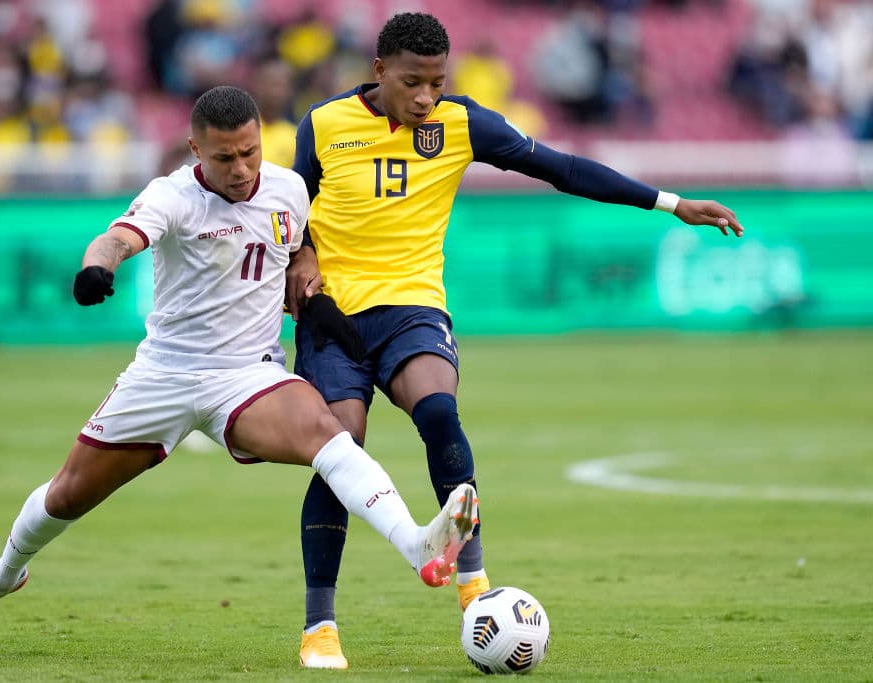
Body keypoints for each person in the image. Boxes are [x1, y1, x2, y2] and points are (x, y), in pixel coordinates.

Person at [0, 86, 480, 649]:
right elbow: (117, 238)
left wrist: (313, 295)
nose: (242, 169)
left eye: (251, 151)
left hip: (248, 375)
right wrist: (97, 268)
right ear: (196, 149)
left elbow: (294, 253)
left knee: (330, 436)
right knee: (67, 496)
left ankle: (416, 543)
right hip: (165, 375)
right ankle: (4, 574)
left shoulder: (289, 190)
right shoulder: (172, 196)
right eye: (225, 158)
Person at [285, 12, 744, 670]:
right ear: (379, 70)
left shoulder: (463, 123)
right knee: (341, 446)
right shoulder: (325, 124)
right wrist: (300, 253)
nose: (425, 98)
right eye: (412, 83)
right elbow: (285, 205)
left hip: (412, 305)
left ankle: (473, 580)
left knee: (439, 412)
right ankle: (320, 625)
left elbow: (561, 167)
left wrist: (670, 203)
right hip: (332, 315)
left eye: (436, 83)